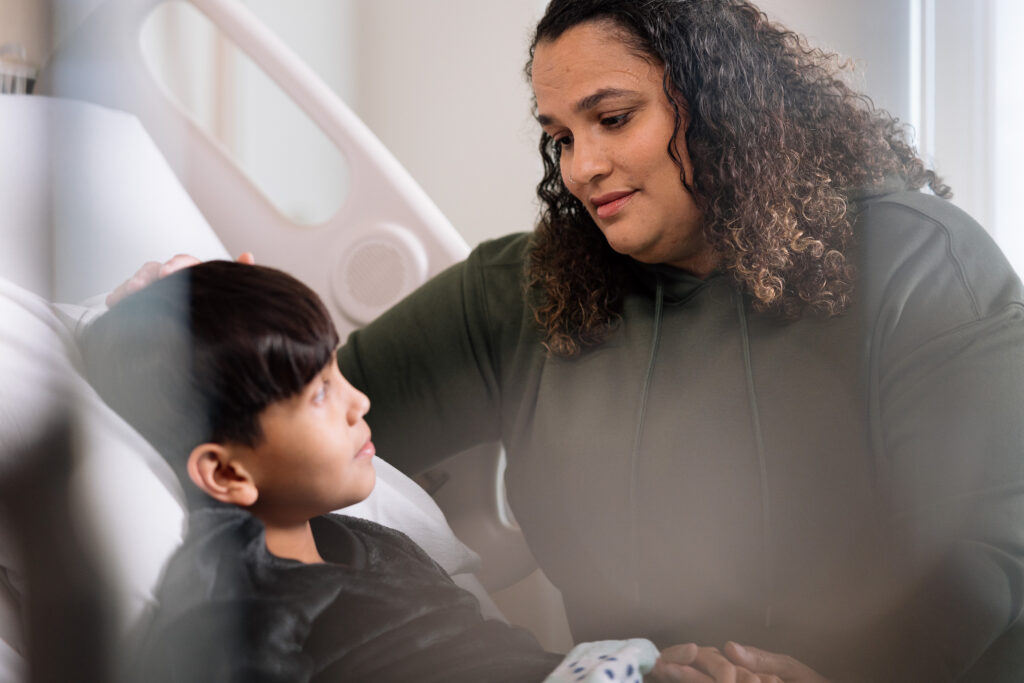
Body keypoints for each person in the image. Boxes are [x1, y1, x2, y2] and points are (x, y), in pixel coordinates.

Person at [111, 1, 1024, 680]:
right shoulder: (525, 294)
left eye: (613, 118)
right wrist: (178, 334)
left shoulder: (913, 262)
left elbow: (988, 554)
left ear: (726, 108)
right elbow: (284, 423)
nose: (582, 167)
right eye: (559, 137)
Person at [81, 260, 731, 683]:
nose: (358, 400)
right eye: (318, 393)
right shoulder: (238, 594)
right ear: (226, 472)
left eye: (337, 372)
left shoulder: (374, 541)